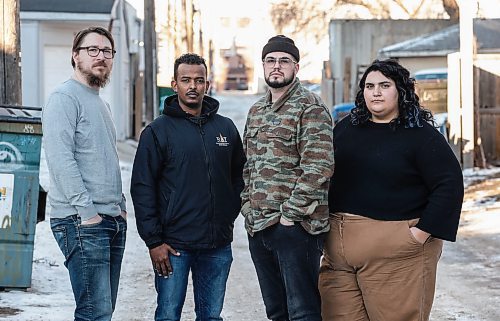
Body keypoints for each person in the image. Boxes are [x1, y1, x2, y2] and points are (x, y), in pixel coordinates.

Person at [319, 59, 464, 321]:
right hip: (338, 256)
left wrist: (418, 236)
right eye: (370, 85)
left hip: (397, 254)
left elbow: (449, 185)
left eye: (385, 85)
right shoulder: (345, 129)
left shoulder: (421, 135)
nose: (376, 91)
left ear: (401, 91)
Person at [130, 53, 246, 321]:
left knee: (211, 316)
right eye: (186, 80)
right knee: (169, 314)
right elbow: (142, 187)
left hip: (217, 244)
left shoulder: (225, 128)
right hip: (173, 247)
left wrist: (228, 211)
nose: (192, 86)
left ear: (207, 84)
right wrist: (154, 241)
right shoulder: (157, 131)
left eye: (199, 80)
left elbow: (241, 175)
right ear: (174, 84)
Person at [241, 35, 335, 321]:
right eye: (271, 61)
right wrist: (247, 206)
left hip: (296, 229)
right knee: (277, 311)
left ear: (296, 67)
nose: (276, 67)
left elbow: (319, 165)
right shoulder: (257, 110)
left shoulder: (310, 107)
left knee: (303, 311)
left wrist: (289, 216)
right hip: (259, 226)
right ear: (263, 66)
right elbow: (248, 165)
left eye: (284, 61)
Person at [42, 26, 127, 321]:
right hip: (81, 221)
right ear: (75, 56)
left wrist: (121, 207)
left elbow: (105, 160)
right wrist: (87, 212)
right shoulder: (64, 98)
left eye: (106, 51)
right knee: (95, 313)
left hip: (110, 220)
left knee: (103, 311)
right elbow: (60, 159)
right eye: (92, 50)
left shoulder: (100, 103)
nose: (100, 56)